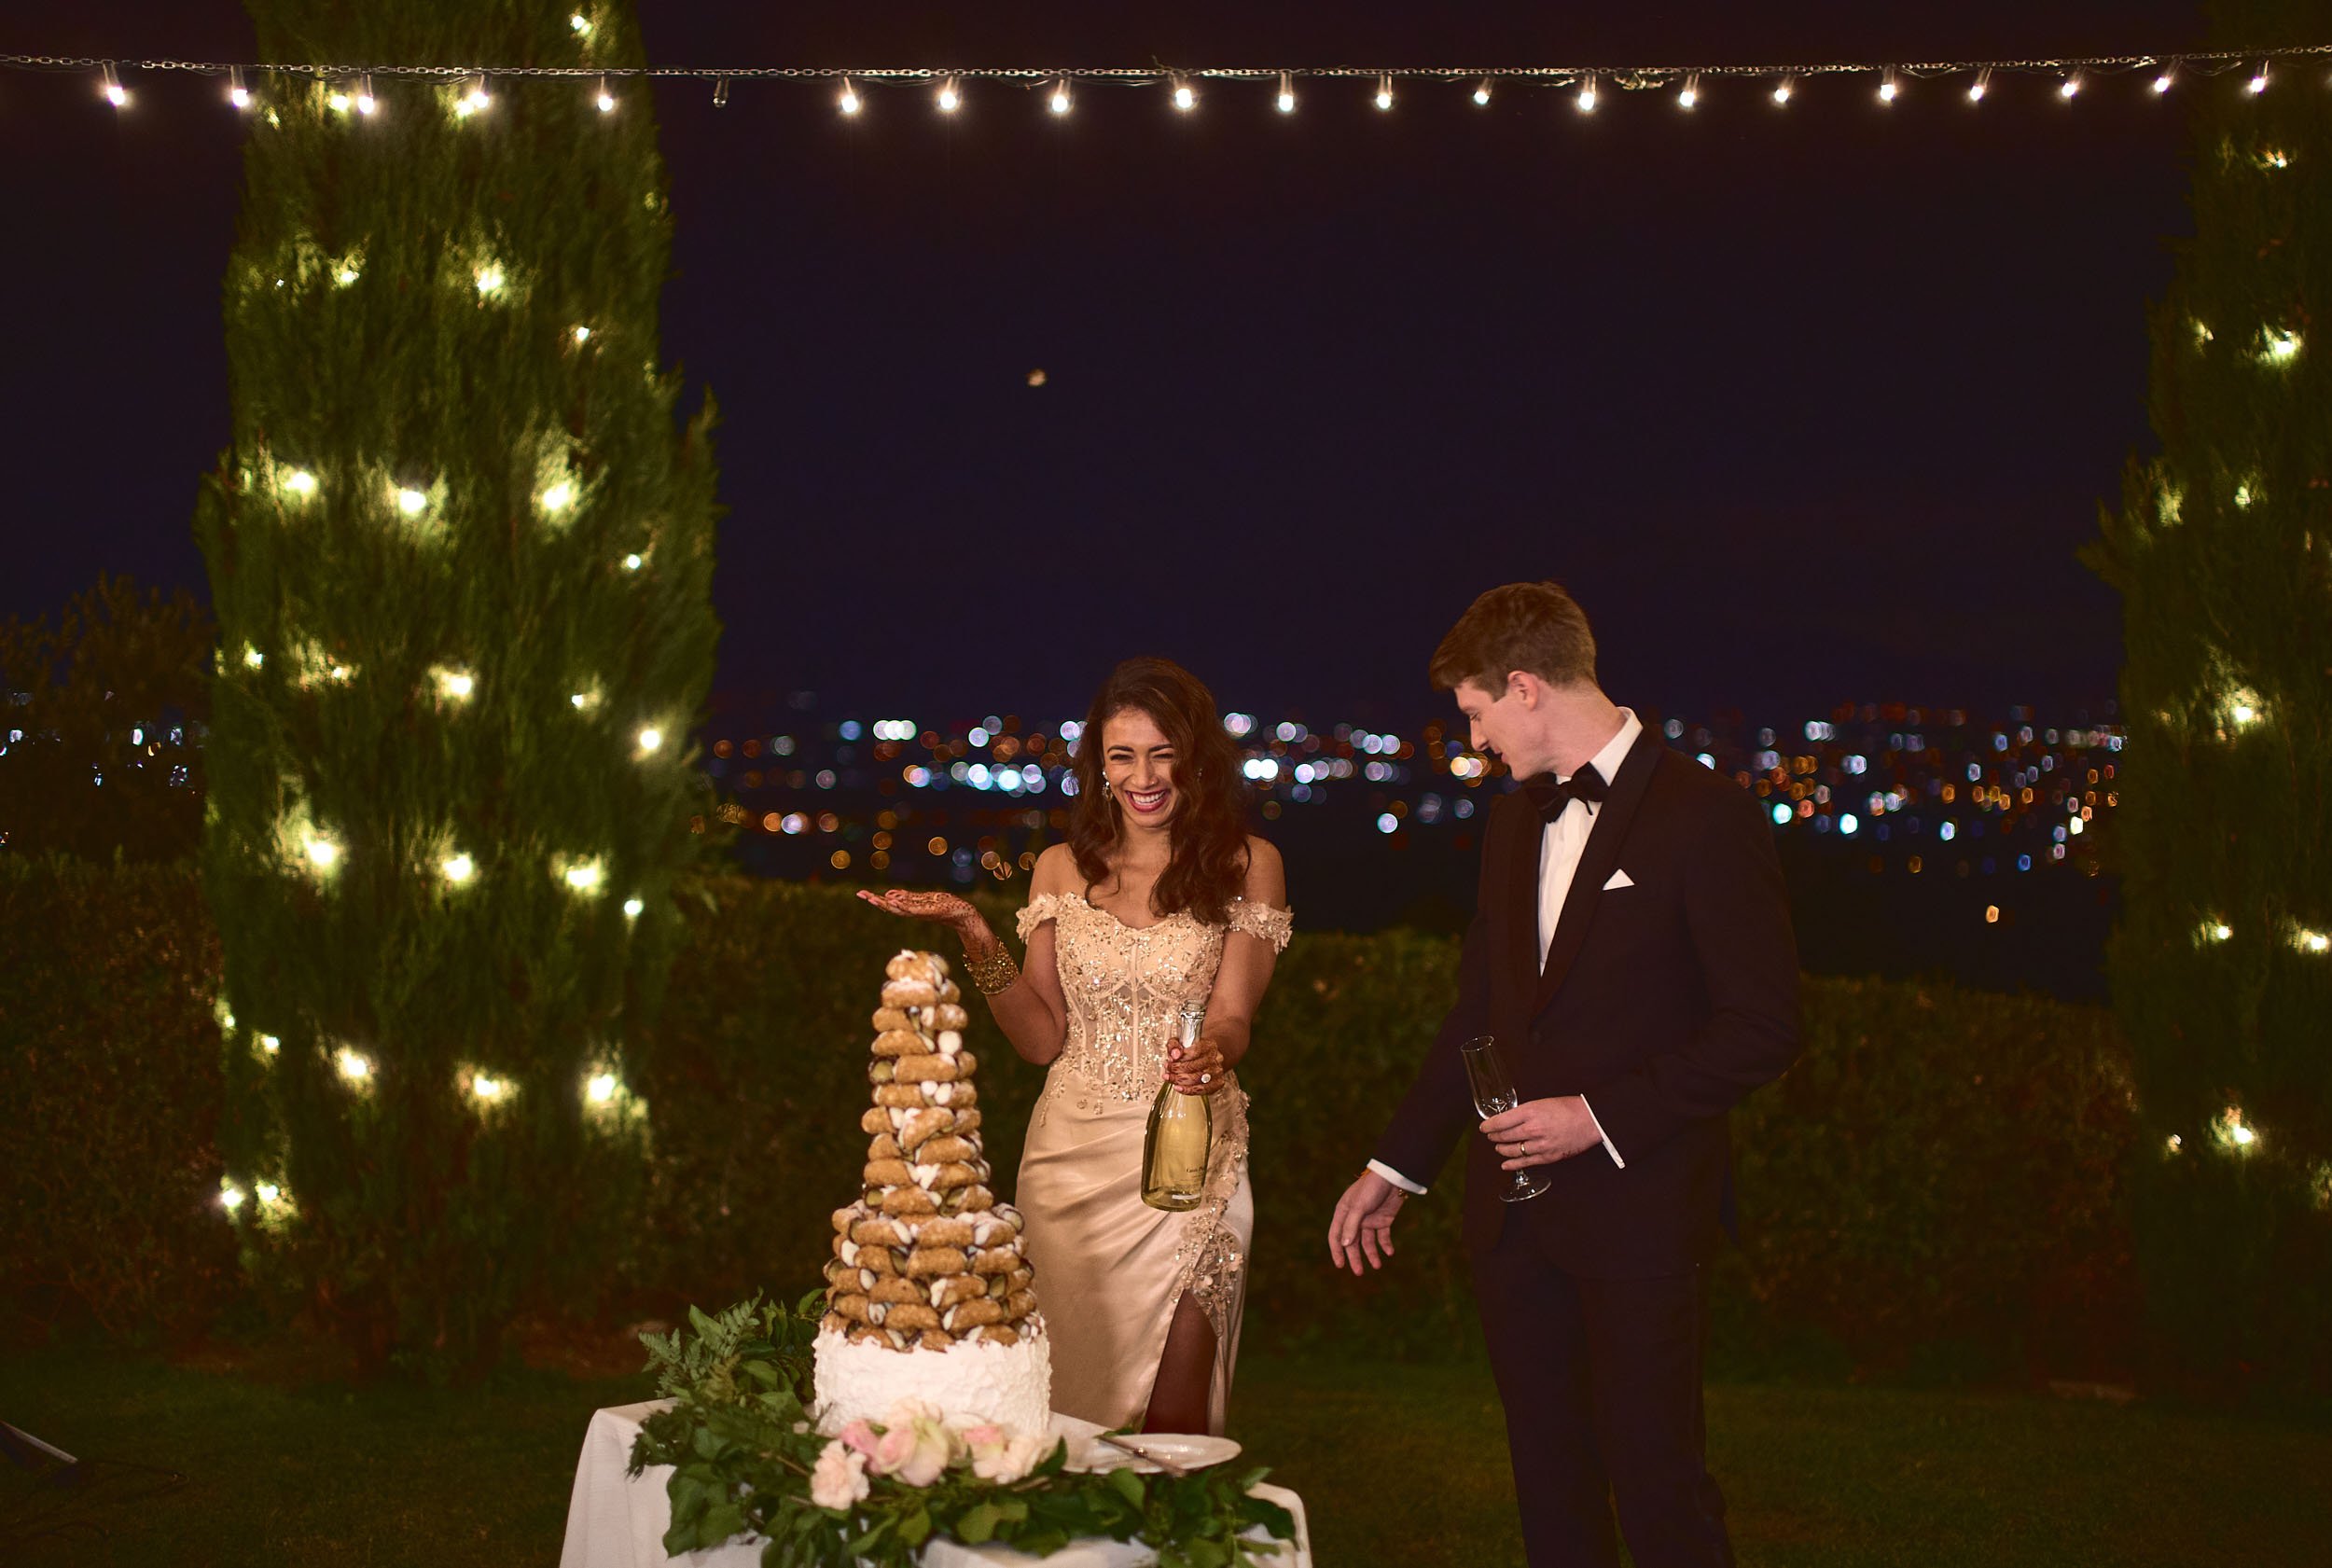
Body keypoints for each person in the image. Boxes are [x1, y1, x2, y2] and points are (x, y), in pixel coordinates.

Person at [1327, 581, 1799, 1567]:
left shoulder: (1707, 815)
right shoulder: (1511, 825)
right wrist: (1396, 1168)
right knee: (1549, 1485)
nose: (1476, 738)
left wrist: (1598, 1116)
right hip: (1512, 1220)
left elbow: (1762, 1026)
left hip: (1642, 1216)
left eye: (1476, 712)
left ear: (1526, 686)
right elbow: (1478, 1017)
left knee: (1660, 1483)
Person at [861, 656, 1290, 1436]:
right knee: (1063, 1414)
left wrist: (1213, 1055)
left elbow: (1233, 1015)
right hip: (1067, 1169)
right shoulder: (1061, 867)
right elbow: (1039, 1037)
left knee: (1175, 1415)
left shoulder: (1248, 863)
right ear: (1098, 765)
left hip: (1187, 1159)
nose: (1144, 775)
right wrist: (974, 931)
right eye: (1122, 755)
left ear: (1196, 756)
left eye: (1164, 752)